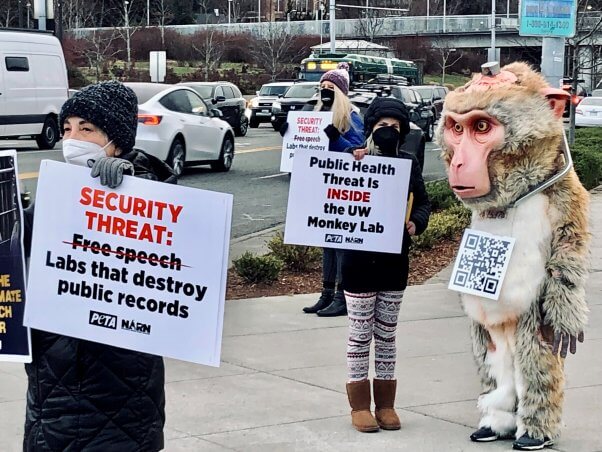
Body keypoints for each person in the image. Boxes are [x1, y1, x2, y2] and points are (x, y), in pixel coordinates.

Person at [23, 81, 175, 451]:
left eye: (86, 129)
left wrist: (129, 188)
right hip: (52, 392)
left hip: (118, 399)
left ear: (117, 141)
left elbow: (170, 257)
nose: (72, 139)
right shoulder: (57, 194)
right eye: (67, 129)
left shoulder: (149, 192)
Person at [341, 97, 431, 433]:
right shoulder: (354, 159)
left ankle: (387, 404)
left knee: (387, 335)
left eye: (395, 127)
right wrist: (352, 158)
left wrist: (415, 224)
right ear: (370, 129)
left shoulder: (409, 162)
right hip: (359, 261)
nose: (389, 132)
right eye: (382, 127)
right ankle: (359, 405)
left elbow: (423, 202)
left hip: (395, 261)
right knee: (360, 334)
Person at [282, 63, 364, 317]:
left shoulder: (351, 116)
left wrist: (335, 137)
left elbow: (358, 149)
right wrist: (287, 134)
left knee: (341, 244)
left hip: (342, 186)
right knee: (327, 242)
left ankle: (342, 296)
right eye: (322, 87)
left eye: (331, 87)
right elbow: (303, 147)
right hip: (320, 184)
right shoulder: (315, 113)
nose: (325, 91)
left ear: (341, 91)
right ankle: (327, 293)